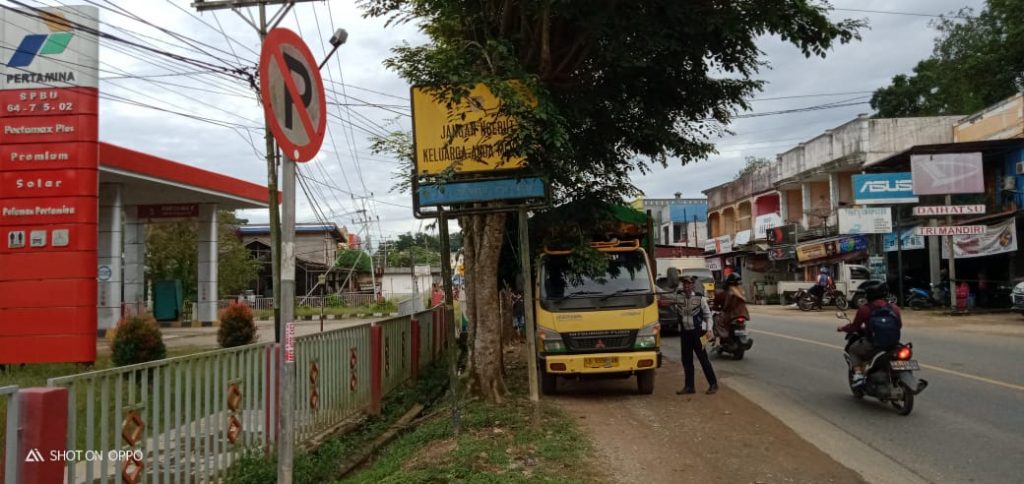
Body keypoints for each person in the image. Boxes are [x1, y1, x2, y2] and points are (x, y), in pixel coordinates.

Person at [837, 282, 902, 387]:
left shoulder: (864, 309)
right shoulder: (894, 308)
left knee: (852, 350)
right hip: (893, 344)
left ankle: (858, 375)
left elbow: (854, 327)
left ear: (868, 295)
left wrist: (842, 328)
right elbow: (899, 325)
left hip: (874, 344)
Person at [673, 276, 718, 395]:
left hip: (698, 333)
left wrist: (709, 330)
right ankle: (689, 387)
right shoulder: (679, 298)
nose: (686, 286)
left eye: (689, 284)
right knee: (686, 360)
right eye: (684, 284)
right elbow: (668, 300)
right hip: (685, 334)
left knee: (703, 359)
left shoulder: (700, 299)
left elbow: (708, 316)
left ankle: (713, 384)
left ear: (693, 285)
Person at [713, 273, 749, 339]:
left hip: (731, 315)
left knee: (717, 320)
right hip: (743, 314)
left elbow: (719, 304)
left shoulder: (727, 292)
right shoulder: (741, 291)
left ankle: (722, 336)